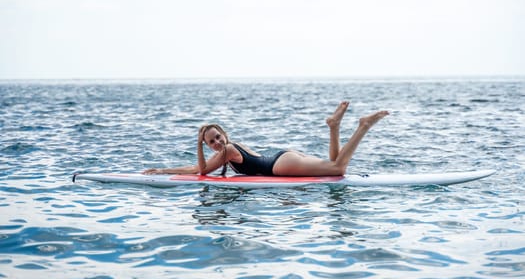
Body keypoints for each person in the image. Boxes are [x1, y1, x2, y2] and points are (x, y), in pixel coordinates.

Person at [143, 102, 389, 177]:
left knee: (338, 167)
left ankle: (363, 126)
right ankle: (334, 126)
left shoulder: (228, 149)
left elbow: (203, 170)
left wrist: (197, 144)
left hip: (281, 166)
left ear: (223, 135)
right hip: (285, 158)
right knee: (333, 166)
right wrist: (164, 170)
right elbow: (197, 168)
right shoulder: (228, 149)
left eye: (217, 137)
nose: (216, 143)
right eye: (211, 142)